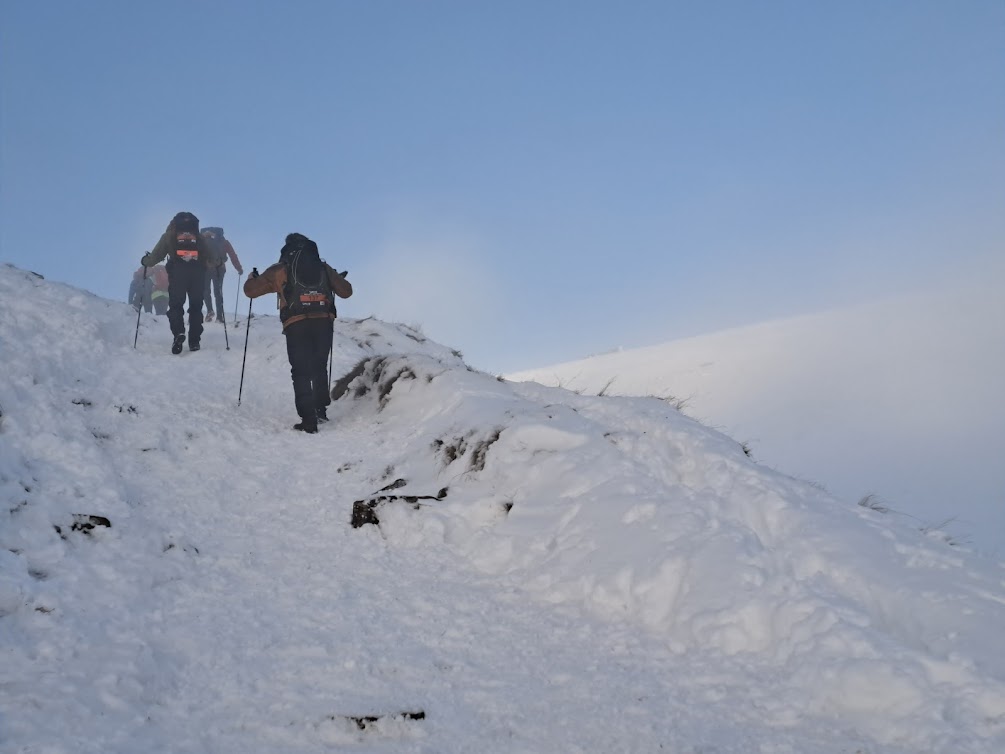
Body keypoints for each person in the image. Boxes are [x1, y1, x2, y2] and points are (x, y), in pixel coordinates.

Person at [244, 232, 352, 433]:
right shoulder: (323, 267)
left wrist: (251, 278)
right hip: (323, 321)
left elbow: (250, 291)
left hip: (296, 323)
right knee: (319, 365)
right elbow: (346, 291)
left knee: (300, 370)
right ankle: (321, 411)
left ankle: (308, 420)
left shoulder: (280, 269)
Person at [140, 211, 212, 354]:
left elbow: (154, 258)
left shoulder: (169, 236)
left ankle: (178, 333)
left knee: (176, 306)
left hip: (178, 273)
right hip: (197, 273)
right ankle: (194, 342)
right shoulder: (199, 237)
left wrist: (145, 261)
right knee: (196, 307)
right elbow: (212, 258)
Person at [200, 226, 243, 324]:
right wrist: (239, 268)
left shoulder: (202, 242)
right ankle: (219, 317)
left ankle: (210, 311)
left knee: (205, 290)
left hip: (206, 268)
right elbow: (233, 255)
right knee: (218, 292)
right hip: (220, 269)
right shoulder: (224, 242)